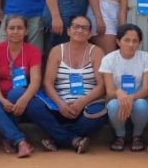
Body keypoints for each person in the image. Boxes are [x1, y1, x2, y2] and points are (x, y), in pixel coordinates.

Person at [0, 14, 47, 158]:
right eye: (11, 28)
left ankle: (9, 137)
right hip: (0, 101)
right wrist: (3, 101)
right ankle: (20, 140)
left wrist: (24, 99)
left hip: (21, 103)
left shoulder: (33, 51)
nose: (15, 31)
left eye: (19, 28)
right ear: (6, 30)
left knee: (16, 93)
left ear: (26, 31)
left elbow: (36, 80)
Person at [39, 14, 108, 153]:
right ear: (68, 31)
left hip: (87, 106)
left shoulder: (97, 52)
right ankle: (74, 140)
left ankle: (57, 137)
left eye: (84, 28)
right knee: (34, 106)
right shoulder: (57, 51)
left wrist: (81, 102)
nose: (80, 31)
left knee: (103, 113)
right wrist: (60, 104)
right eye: (76, 27)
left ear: (89, 33)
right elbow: (47, 83)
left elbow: (102, 86)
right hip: (58, 106)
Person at [99, 24, 148, 152]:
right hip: (117, 98)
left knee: (142, 105)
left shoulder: (146, 57)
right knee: (113, 105)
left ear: (139, 43)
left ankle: (137, 136)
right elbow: (110, 92)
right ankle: (120, 135)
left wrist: (130, 97)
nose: (131, 44)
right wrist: (119, 93)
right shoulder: (108, 59)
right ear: (118, 41)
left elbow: (146, 89)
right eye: (126, 40)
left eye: (135, 41)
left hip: (138, 97)